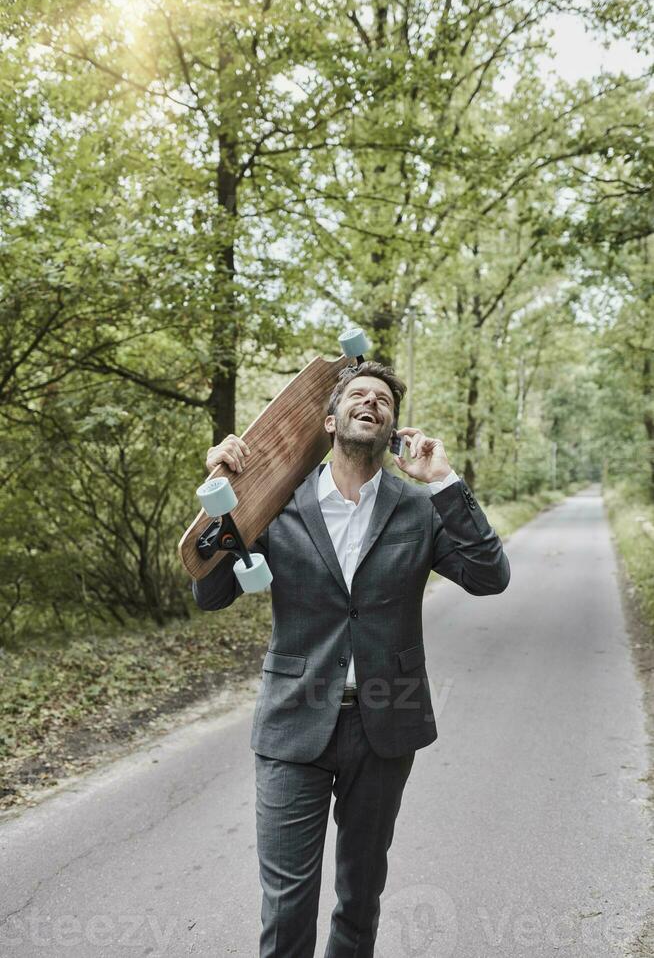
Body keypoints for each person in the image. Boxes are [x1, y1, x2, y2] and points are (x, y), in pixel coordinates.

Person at [191, 360, 510, 958]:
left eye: (383, 400)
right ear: (331, 420)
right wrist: (221, 500)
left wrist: (442, 482)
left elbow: (491, 577)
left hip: (386, 725)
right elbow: (209, 594)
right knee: (287, 908)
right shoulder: (274, 504)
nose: (372, 402)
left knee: (361, 897)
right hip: (293, 722)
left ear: (391, 429)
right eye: (357, 395)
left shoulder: (419, 509)